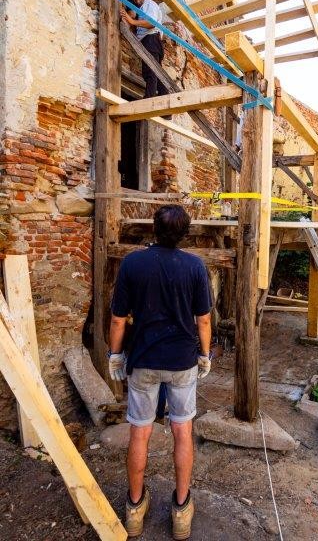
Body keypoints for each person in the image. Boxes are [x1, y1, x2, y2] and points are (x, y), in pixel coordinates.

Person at [108, 205, 212, 539]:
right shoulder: (195, 266)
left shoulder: (133, 263)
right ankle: (181, 510)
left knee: (139, 432)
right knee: (182, 430)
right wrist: (205, 355)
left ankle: (135, 508)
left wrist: (115, 355)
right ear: (185, 233)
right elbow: (204, 319)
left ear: (154, 229)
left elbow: (118, 319)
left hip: (144, 360)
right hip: (182, 362)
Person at [120, 0, 167, 99]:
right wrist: (128, 17)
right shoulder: (140, 9)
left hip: (152, 39)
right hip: (149, 41)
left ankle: (149, 98)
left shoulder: (150, 4)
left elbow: (151, 23)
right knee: (157, 74)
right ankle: (166, 100)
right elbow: (132, 16)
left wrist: (132, 21)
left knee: (150, 72)